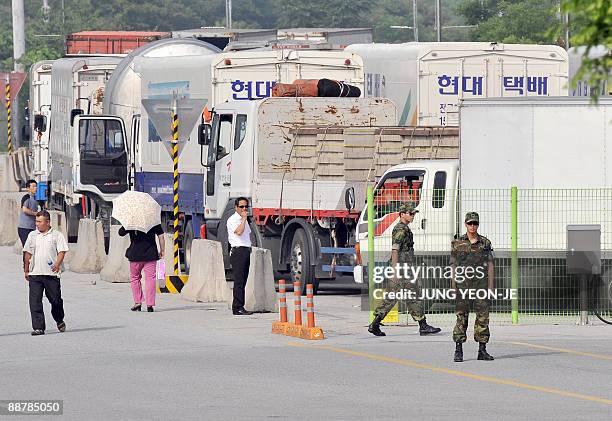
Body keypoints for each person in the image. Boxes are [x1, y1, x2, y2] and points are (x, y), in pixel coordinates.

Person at [368, 203, 441, 337]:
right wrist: (395, 270)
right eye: (410, 213)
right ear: (402, 214)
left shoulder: (402, 228)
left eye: (413, 214)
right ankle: (422, 325)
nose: (413, 216)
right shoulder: (401, 230)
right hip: (402, 269)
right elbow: (395, 249)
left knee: (397, 297)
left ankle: (375, 324)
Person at [451, 212, 495, 362]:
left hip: (481, 284)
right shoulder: (457, 243)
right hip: (463, 284)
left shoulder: (485, 243)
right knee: (461, 316)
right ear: (465, 224)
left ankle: (482, 350)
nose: (472, 226)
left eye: (475, 223)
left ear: (478, 224)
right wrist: (453, 285)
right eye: (470, 223)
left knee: (483, 316)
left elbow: (490, 264)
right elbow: (454, 265)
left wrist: (490, 285)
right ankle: (459, 349)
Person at [23, 211, 69, 336]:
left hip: (51, 274)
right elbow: (27, 253)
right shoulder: (32, 235)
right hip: (35, 274)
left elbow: (62, 251)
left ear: (47, 222)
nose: (37, 224)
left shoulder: (56, 235)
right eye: (36, 221)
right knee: (35, 301)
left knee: (55, 300)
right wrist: (26, 269)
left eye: (40, 221)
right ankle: (39, 327)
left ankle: (59, 319)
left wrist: (57, 264)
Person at [119, 224, 164, 312]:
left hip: (135, 255)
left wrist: (127, 224)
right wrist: (162, 250)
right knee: (150, 279)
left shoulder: (131, 222)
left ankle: (138, 303)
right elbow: (161, 236)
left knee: (135, 278)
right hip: (150, 255)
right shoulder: (152, 220)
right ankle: (150, 304)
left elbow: (120, 233)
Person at [227, 197, 254, 316]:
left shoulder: (245, 220)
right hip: (238, 251)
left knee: (243, 280)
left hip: (245, 250)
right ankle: (237, 307)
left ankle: (240, 305)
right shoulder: (233, 219)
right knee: (239, 280)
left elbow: (247, 235)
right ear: (236, 207)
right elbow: (239, 232)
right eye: (241, 207)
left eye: (246, 207)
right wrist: (243, 219)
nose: (244, 209)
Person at [18, 180, 39, 247]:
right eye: (33, 186)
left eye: (36, 186)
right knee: (27, 249)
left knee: (31, 249)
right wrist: (35, 213)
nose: (35, 188)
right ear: (28, 188)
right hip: (24, 228)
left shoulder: (35, 199)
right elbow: (24, 210)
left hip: (32, 228)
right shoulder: (26, 197)